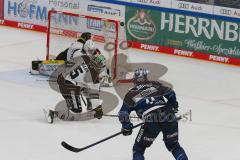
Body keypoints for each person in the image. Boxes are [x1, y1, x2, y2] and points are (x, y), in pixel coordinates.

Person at [118, 68, 188, 160]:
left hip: (151, 120)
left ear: (135, 80)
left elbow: (123, 113)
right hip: (169, 116)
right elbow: (171, 93)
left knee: (138, 149)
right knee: (174, 146)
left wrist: (126, 126)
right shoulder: (155, 85)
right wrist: (174, 106)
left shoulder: (130, 94)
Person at [45, 48, 106, 123]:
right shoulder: (94, 78)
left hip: (63, 80)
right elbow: (94, 95)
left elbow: (69, 62)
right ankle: (53, 113)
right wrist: (97, 109)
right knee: (76, 110)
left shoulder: (85, 57)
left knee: (86, 88)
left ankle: (87, 106)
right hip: (68, 86)